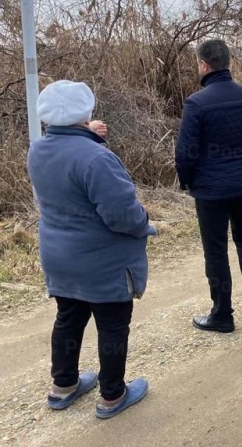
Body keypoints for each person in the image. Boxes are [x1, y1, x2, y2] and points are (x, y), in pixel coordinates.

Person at [28, 80, 155, 419]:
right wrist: (145, 221)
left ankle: (63, 385)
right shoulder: (98, 157)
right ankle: (113, 395)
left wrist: (86, 134)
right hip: (102, 261)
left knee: (69, 317)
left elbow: (70, 155)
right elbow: (122, 215)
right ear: (84, 115)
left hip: (59, 255)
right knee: (112, 322)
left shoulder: (38, 149)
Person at [175, 38, 242, 333]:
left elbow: (185, 152)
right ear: (228, 62)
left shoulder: (196, 103)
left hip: (210, 189)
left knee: (215, 251)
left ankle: (222, 315)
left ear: (204, 65)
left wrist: (188, 181)